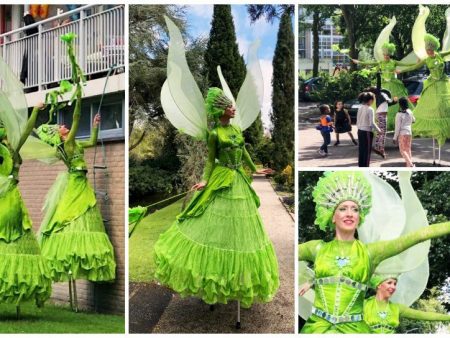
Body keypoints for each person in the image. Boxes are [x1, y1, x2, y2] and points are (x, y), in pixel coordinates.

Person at [152, 17, 279, 312]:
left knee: (241, 231)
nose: (234, 107)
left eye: (233, 104)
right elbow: (211, 160)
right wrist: (204, 180)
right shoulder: (214, 134)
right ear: (222, 110)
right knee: (214, 228)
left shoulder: (236, 130)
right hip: (220, 178)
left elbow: (245, 152)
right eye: (230, 105)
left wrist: (255, 169)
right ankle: (214, 283)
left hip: (238, 180)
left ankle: (232, 285)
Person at [298, 171, 450, 333]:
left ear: (360, 217)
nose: (349, 213)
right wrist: (308, 280)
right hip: (316, 329)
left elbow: (421, 235)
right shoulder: (315, 248)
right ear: (332, 216)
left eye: (355, 209)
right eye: (343, 208)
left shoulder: (371, 252)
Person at [37, 33, 116, 285]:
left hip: (80, 179)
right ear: (59, 135)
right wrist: (79, 95)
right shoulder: (67, 143)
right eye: (59, 127)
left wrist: (94, 126)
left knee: (82, 214)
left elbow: (91, 142)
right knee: (75, 214)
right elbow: (75, 116)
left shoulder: (73, 144)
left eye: (63, 125)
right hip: (77, 183)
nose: (63, 126)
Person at [0, 56, 52, 308]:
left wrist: (34, 111)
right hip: (9, 201)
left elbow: (22, 131)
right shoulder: (11, 149)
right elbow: (23, 131)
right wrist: (34, 111)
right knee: (16, 240)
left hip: (8, 202)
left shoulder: (10, 150)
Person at [397, 33, 450, 146]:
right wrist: (401, 71)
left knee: (442, 103)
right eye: (427, 50)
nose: (429, 52)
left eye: (430, 50)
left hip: (442, 82)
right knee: (432, 104)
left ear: (433, 49)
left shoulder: (440, 55)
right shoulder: (426, 60)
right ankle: (434, 128)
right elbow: (414, 67)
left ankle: (443, 127)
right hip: (432, 83)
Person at [352, 40, 415, 131]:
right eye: (385, 55)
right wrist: (358, 62)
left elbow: (405, 64)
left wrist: (416, 62)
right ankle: (382, 125)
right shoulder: (380, 63)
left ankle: (397, 123)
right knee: (382, 103)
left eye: (388, 55)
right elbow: (370, 64)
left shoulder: (394, 62)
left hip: (393, 84)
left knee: (394, 102)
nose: (386, 57)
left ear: (390, 55)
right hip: (384, 85)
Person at [364, 275, 450, 333]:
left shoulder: (397, 308)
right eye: (389, 283)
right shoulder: (363, 304)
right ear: (378, 285)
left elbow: (424, 315)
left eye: (395, 284)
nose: (393, 287)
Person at [363, 71, 398, 159]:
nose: (376, 87)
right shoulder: (378, 94)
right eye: (375, 87)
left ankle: (377, 147)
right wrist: (378, 75)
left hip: (382, 116)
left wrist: (394, 101)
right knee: (383, 133)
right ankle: (380, 149)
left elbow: (388, 104)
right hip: (381, 116)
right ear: (375, 90)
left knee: (381, 133)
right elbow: (379, 84)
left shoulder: (383, 95)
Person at [356, 92, 380, 167]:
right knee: (367, 151)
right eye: (373, 99)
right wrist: (379, 130)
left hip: (360, 131)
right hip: (367, 132)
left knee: (361, 150)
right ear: (370, 100)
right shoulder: (370, 109)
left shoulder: (360, 108)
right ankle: (366, 167)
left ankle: (361, 166)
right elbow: (372, 123)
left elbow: (357, 121)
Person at [393, 97, 415, 167]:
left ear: (400, 104)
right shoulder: (410, 111)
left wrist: (394, 137)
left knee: (403, 151)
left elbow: (397, 127)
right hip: (409, 133)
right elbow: (414, 120)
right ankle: (409, 166)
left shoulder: (399, 114)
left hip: (402, 134)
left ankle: (410, 165)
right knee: (408, 150)